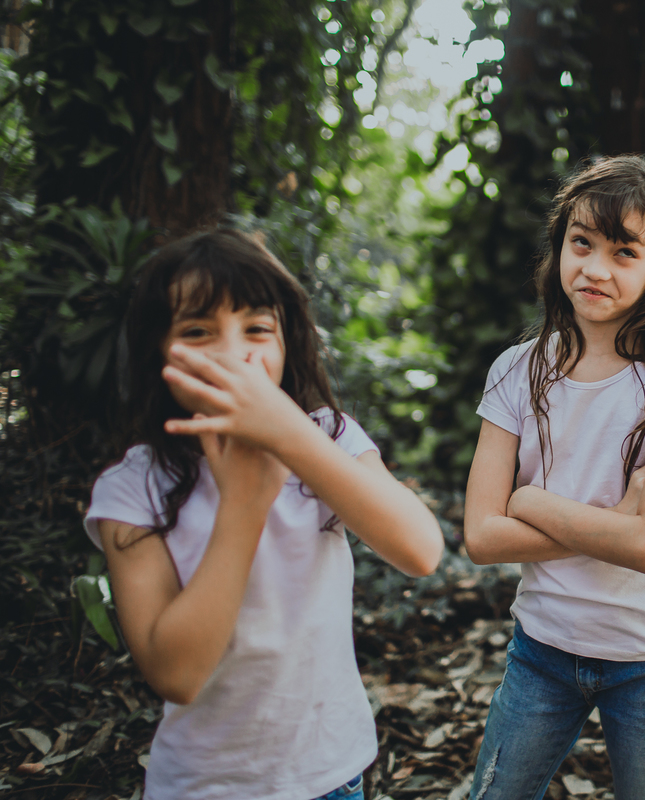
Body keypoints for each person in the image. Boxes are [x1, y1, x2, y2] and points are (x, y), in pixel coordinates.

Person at [84, 229, 444, 800]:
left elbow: (420, 551)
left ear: (286, 345)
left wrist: (291, 437)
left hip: (332, 771)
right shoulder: (133, 489)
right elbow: (176, 674)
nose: (234, 353)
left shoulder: (328, 438)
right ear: (158, 350)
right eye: (199, 331)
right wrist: (245, 504)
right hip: (207, 786)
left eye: (256, 329)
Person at [464, 155, 645, 800]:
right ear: (560, 248)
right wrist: (614, 522)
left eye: (624, 251)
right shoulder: (516, 370)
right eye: (581, 243)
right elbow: (482, 537)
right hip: (542, 648)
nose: (596, 269)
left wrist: (529, 501)